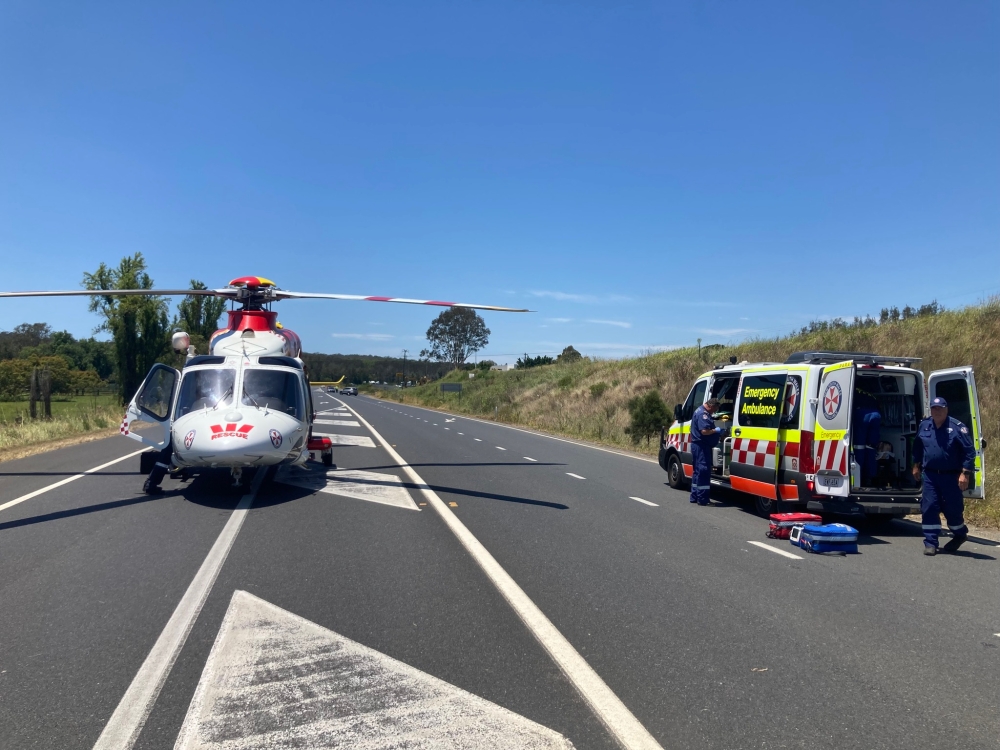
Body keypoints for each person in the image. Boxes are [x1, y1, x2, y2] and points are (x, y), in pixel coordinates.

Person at [912, 396, 975, 556]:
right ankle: (930, 542)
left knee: (953, 510)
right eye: (934, 408)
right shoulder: (925, 425)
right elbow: (917, 447)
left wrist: (965, 473)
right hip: (930, 475)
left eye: (940, 408)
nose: (937, 411)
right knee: (929, 507)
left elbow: (969, 452)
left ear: (946, 409)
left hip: (951, 477)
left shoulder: (957, 428)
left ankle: (960, 534)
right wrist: (916, 465)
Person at [690, 398, 725, 506]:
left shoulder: (699, 410)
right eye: (714, 409)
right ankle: (703, 499)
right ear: (711, 406)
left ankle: (695, 496)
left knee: (697, 472)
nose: (714, 412)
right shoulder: (703, 414)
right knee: (703, 471)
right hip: (701, 446)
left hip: (698, 445)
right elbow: (704, 431)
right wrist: (716, 431)